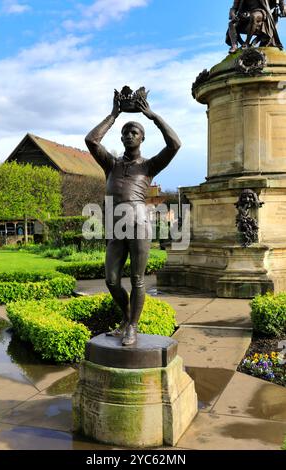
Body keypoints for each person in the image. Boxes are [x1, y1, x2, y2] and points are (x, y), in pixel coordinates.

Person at [85, 91, 181, 346]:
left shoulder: (148, 166)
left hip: (139, 224)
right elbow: (91, 140)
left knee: (137, 279)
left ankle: (133, 327)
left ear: (142, 138)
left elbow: (175, 145)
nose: (129, 135)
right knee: (112, 280)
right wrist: (114, 115)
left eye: (134, 132)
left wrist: (152, 117)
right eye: (126, 132)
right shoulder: (111, 164)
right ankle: (126, 319)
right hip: (116, 225)